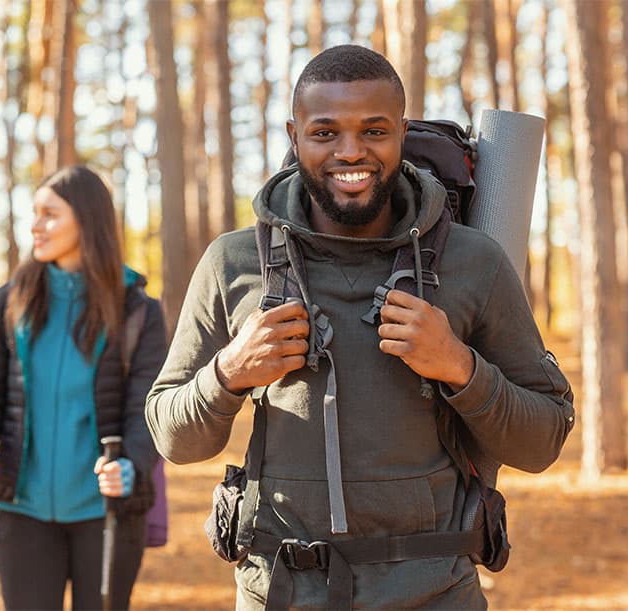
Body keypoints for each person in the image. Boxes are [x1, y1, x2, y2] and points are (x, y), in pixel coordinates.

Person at [145, 45, 575, 610]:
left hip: (436, 595)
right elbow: (172, 437)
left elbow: (543, 440)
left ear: (401, 132)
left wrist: (460, 367)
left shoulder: (475, 262)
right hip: (279, 593)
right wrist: (228, 373)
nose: (352, 152)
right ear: (294, 136)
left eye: (374, 131)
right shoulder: (233, 262)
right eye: (325, 133)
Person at [0, 165, 167, 610]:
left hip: (107, 512)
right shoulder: (8, 302)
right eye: (34, 213)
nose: (35, 225)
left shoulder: (138, 310)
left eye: (50, 214)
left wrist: (131, 464)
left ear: (87, 220)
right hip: (23, 512)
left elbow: (150, 408)